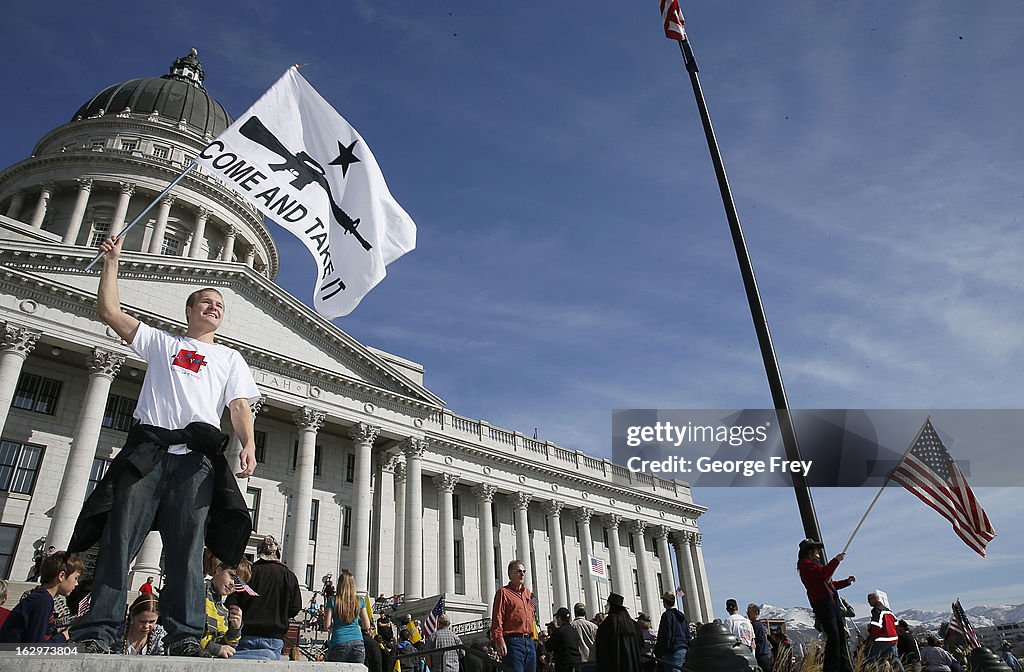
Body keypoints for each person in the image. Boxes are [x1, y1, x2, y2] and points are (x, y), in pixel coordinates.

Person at [70, 235, 260, 657]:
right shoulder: (164, 344)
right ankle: (97, 629)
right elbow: (109, 313)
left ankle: (185, 636)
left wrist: (246, 443)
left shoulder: (230, 359)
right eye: (206, 303)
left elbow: (239, 404)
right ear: (189, 310)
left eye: (220, 306)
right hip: (149, 453)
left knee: (187, 552)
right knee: (121, 540)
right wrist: (111, 263)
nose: (214, 308)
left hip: (196, 463)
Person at [227, 535, 302, 659]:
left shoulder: (248, 572)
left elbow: (232, 601)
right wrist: (279, 614)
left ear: (259, 553)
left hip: (246, 634)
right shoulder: (289, 576)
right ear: (277, 553)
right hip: (274, 637)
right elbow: (295, 607)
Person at [796, 539, 855, 672]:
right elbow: (825, 574)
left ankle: (845, 668)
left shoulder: (815, 566)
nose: (819, 551)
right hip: (823, 604)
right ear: (809, 552)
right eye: (816, 549)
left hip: (831, 603)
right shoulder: (806, 565)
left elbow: (830, 583)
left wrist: (846, 582)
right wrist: (836, 560)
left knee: (840, 637)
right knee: (834, 638)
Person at [0, 551, 82, 643]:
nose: (76, 583)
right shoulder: (42, 601)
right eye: (75, 578)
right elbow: (35, 648)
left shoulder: (41, 598)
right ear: (61, 576)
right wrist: (64, 636)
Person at [490, 559, 537, 672]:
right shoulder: (503, 593)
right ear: (510, 574)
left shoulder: (529, 594)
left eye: (524, 571)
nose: (522, 574)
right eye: (519, 571)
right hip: (513, 641)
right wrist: (499, 640)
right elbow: (498, 617)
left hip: (530, 641)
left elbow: (533, 612)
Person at [323, 570, 371, 663]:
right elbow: (367, 625)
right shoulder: (360, 601)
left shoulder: (332, 600)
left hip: (338, 641)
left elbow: (327, 625)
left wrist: (335, 625)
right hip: (357, 642)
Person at [595, 592, 643, 672]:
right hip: (633, 666)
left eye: (608, 604)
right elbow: (641, 643)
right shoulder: (632, 624)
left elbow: (602, 647)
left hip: (614, 665)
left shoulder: (608, 623)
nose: (606, 606)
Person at [866, 591, 905, 672]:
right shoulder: (888, 611)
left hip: (882, 639)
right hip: (893, 639)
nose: (868, 602)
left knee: (871, 659)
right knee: (894, 659)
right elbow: (896, 623)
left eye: (869, 599)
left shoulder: (876, 610)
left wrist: (872, 638)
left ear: (875, 599)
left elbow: (876, 626)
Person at [655, 591, 690, 672]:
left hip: (672, 652)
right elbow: (687, 634)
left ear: (664, 602)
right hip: (684, 650)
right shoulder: (682, 615)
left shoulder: (667, 615)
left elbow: (666, 634)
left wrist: (662, 651)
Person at [545, 607, 583, 672]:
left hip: (565, 665)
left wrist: (553, 632)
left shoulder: (559, 631)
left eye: (557, 618)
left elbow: (548, 646)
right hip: (577, 663)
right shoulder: (574, 630)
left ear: (559, 618)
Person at [570, 602, 598, 667]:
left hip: (578, 662)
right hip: (592, 661)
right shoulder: (593, 626)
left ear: (574, 612)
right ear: (585, 613)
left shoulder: (571, 626)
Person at [747, 603, 773, 672]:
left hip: (761, 655)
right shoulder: (761, 624)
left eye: (749, 612)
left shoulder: (754, 625)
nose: (748, 615)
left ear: (756, 613)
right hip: (766, 654)